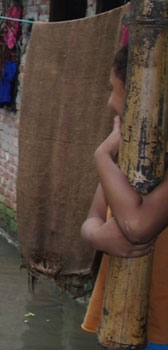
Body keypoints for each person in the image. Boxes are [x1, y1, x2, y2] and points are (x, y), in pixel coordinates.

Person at [80, 45, 168, 349]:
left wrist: (102, 154)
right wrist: (98, 238)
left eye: (112, 89)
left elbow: (136, 226)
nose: (109, 101)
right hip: (120, 320)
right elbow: (92, 217)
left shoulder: (112, 155)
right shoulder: (126, 155)